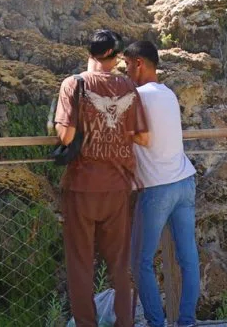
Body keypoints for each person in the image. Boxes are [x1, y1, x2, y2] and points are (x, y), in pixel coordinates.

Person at [54, 29, 149, 327]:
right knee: (119, 265)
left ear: (91, 52)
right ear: (114, 56)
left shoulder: (74, 84)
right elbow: (142, 136)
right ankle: (125, 322)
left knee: (80, 263)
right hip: (118, 186)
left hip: (81, 187)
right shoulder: (129, 87)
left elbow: (66, 136)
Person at [124, 40, 199, 327]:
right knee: (188, 259)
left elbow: (137, 136)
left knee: (140, 261)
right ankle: (186, 321)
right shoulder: (168, 94)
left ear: (139, 63)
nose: (126, 71)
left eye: (127, 65)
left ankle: (156, 323)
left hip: (157, 187)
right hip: (184, 181)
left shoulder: (137, 96)